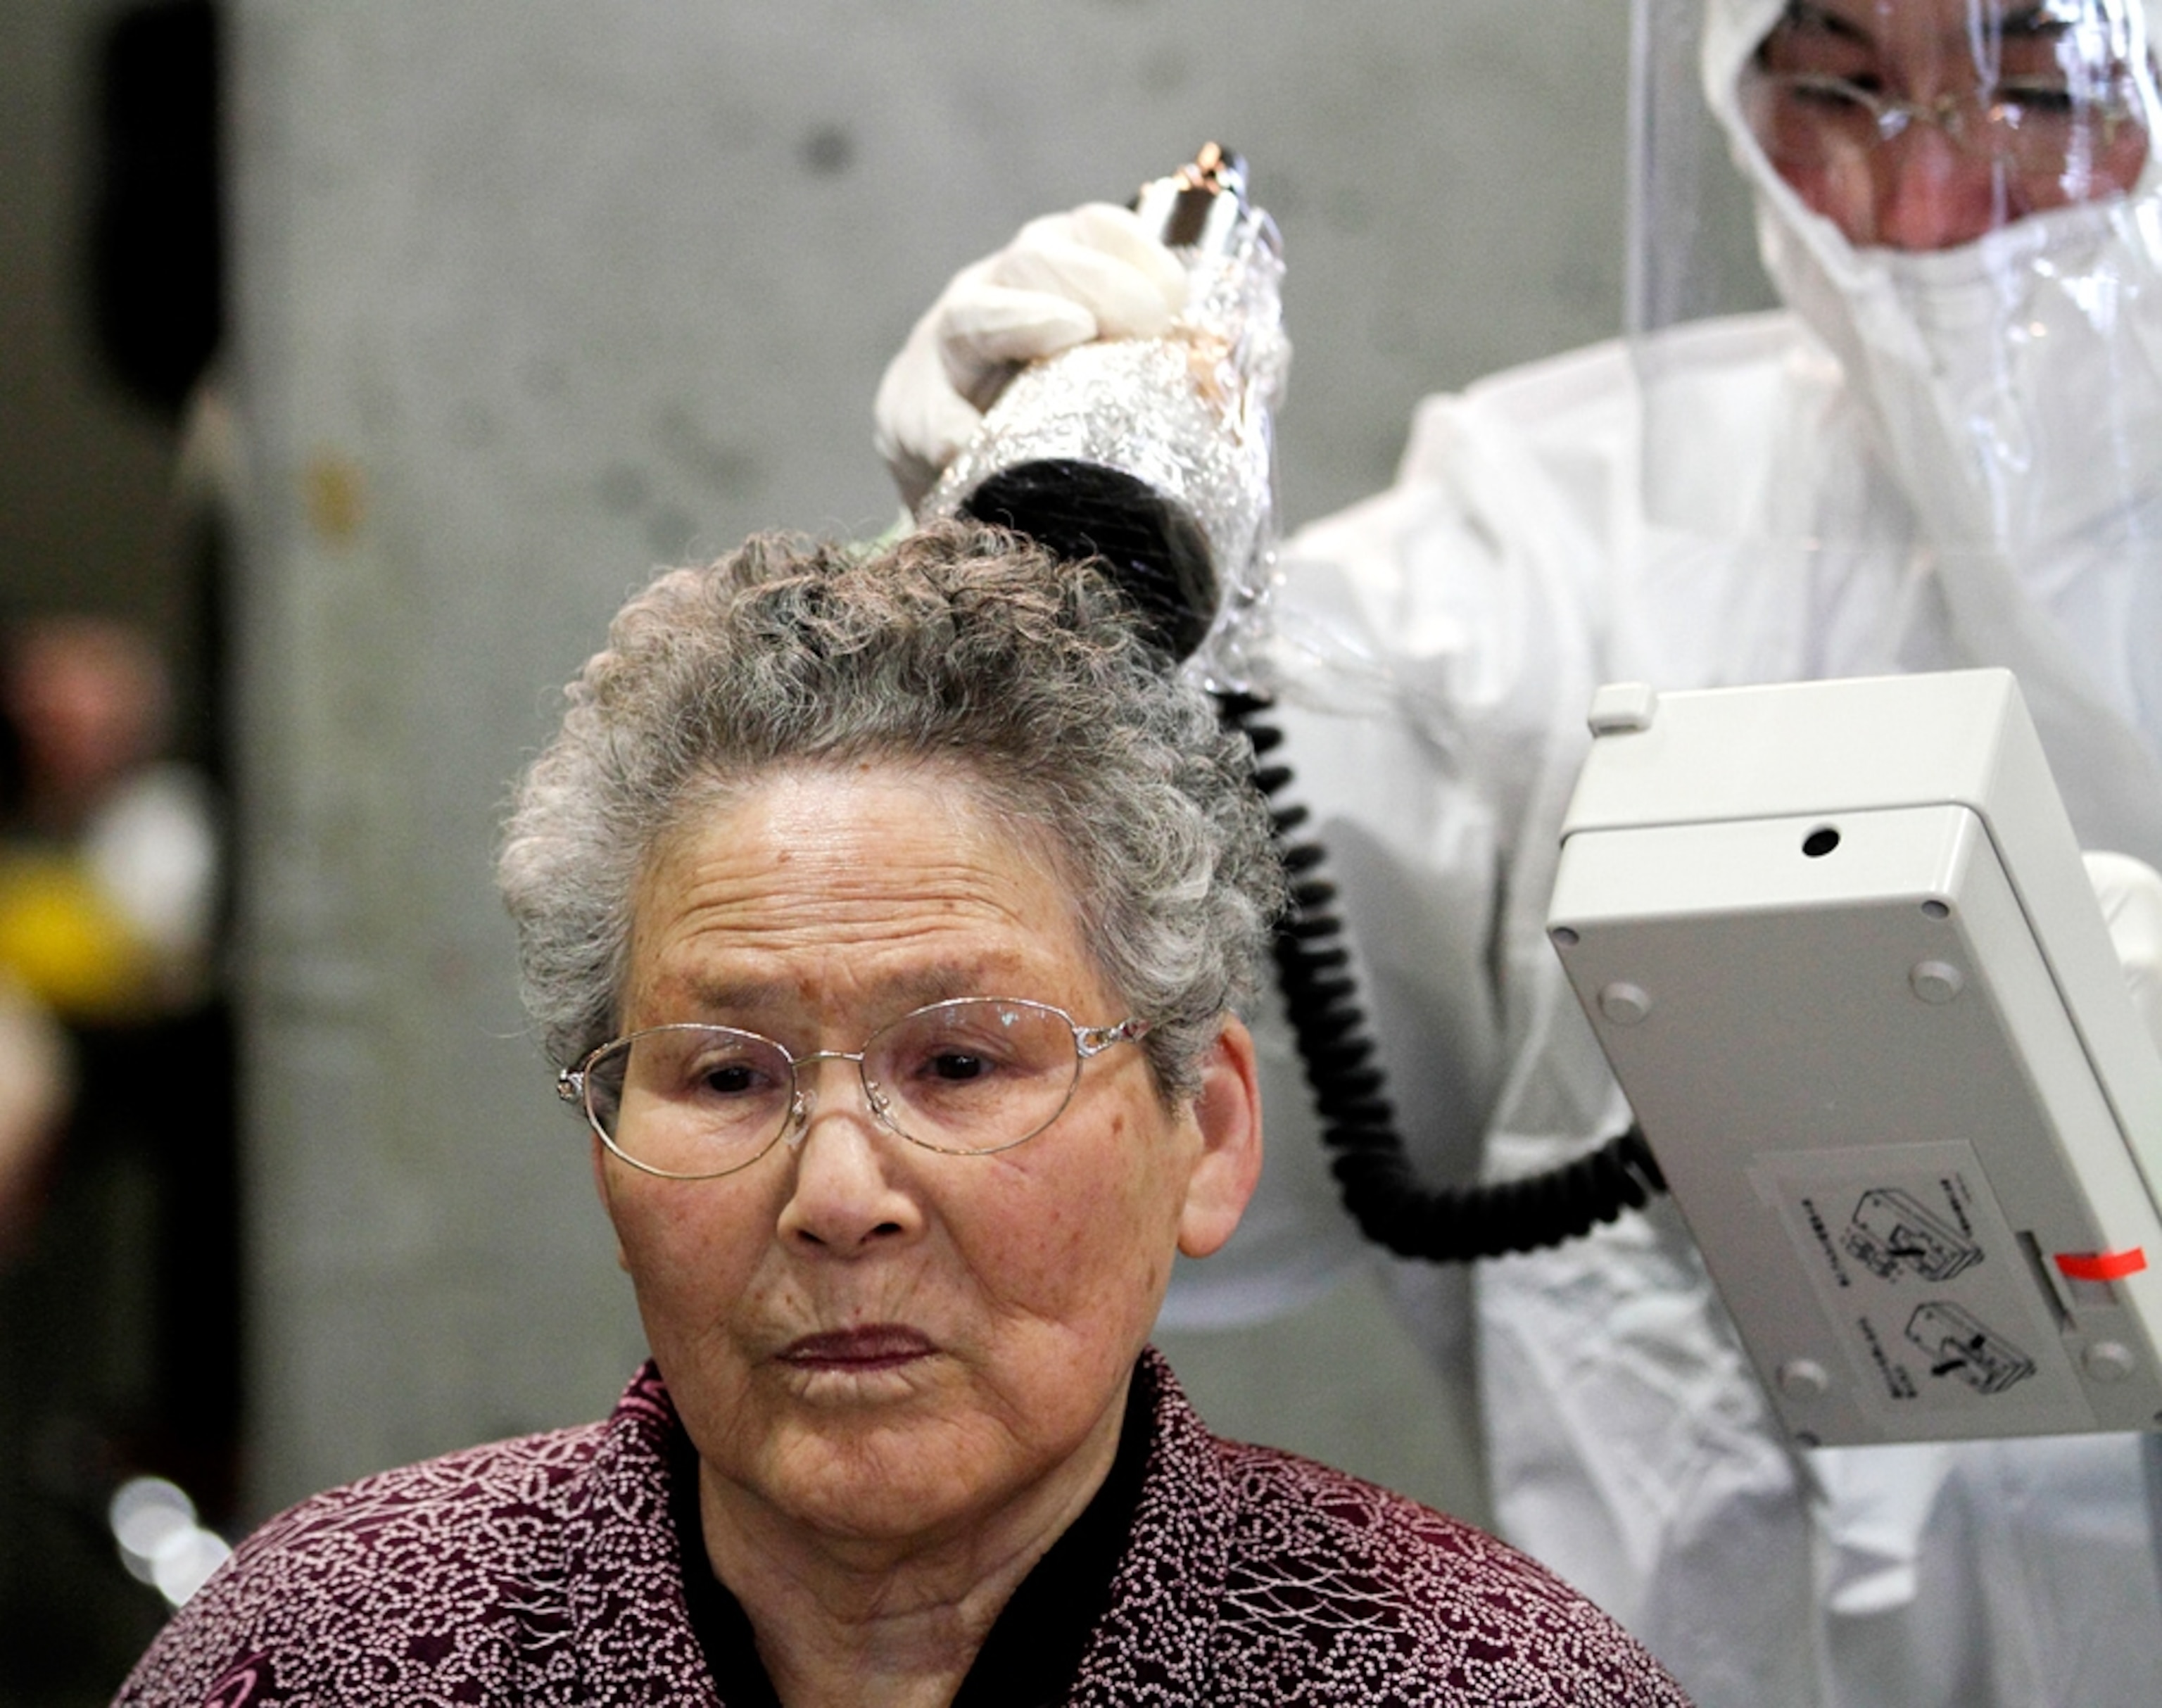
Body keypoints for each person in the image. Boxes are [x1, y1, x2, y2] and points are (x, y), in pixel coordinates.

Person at [871, 2, 2162, 1703]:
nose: (1919, 203)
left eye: (2038, 90)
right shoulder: (1556, 526)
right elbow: (1194, 1097)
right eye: (1834, 84)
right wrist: (1018, 644)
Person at [113, 524, 1692, 1706]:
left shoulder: (1476, 1682)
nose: (839, 1195)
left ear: (1204, 1133)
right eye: (726, 1075)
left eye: (961, 1064)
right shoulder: (327, 1653)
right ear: (606, 1145)